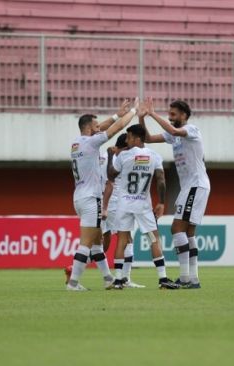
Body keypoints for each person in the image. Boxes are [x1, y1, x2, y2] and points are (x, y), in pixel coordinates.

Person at [66, 98, 138, 291]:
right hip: (91, 198)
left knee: (97, 243)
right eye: (96, 126)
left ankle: (108, 279)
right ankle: (73, 282)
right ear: (90, 128)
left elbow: (106, 125)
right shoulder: (93, 143)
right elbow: (117, 128)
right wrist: (133, 112)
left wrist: (117, 114)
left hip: (79, 197)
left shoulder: (76, 143)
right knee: (87, 243)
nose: (100, 127)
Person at [138, 98, 210, 289]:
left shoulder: (192, 130)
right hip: (190, 187)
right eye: (169, 114)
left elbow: (173, 130)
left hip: (196, 185)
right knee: (188, 232)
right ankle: (193, 279)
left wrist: (153, 113)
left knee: (176, 229)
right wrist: (141, 118)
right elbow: (147, 139)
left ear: (184, 115)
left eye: (173, 114)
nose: (170, 117)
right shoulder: (174, 136)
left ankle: (185, 278)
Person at [107, 124, 179, 290]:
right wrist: (161, 202)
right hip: (143, 205)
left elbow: (111, 175)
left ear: (137, 138)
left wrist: (111, 156)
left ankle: (118, 281)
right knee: (154, 239)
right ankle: (163, 279)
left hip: (124, 204)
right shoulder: (154, 156)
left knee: (122, 241)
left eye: (129, 136)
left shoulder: (124, 156)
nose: (127, 140)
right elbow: (161, 180)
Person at [102, 133, 145, 288]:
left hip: (113, 203)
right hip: (116, 203)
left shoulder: (110, 157)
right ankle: (124, 279)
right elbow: (111, 182)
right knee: (126, 240)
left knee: (109, 242)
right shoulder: (121, 158)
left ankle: (119, 278)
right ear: (126, 147)